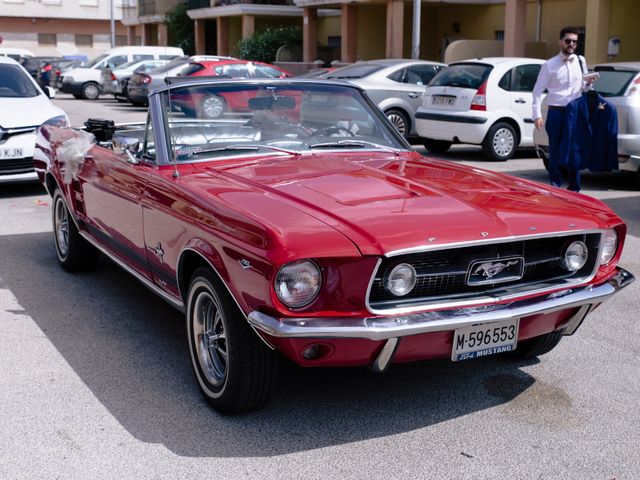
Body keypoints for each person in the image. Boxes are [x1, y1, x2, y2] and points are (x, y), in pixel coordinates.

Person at [532, 26, 595, 192]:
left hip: (575, 112)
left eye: (575, 41)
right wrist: (537, 115)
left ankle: (574, 188)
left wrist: (588, 83)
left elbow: (583, 87)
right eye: (568, 41)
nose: (572, 44)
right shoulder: (549, 65)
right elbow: (537, 91)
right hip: (556, 112)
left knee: (574, 149)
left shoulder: (581, 61)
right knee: (555, 151)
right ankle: (556, 187)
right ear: (561, 42)